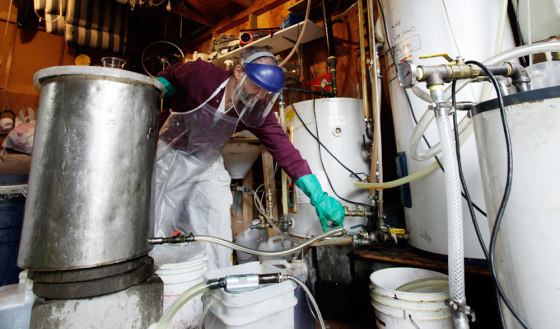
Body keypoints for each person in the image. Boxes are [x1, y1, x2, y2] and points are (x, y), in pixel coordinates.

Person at [152, 46, 345, 270]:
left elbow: (286, 152)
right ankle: (160, 282)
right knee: (156, 224)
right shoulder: (202, 74)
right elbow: (172, 75)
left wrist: (318, 195)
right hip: (169, 152)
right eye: (257, 87)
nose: (261, 96)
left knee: (216, 230)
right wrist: (160, 86)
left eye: (267, 93)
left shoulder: (257, 109)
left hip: (206, 162)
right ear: (238, 72)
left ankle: (215, 286)